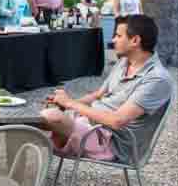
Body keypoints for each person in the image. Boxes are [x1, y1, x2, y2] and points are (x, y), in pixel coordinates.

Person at [41, 14, 173, 164]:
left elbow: (117, 121)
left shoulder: (157, 79)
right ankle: (27, 184)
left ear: (135, 40)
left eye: (118, 35)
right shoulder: (124, 62)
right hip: (90, 126)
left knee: (51, 117)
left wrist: (70, 103)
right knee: (28, 125)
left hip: (112, 142)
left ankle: (29, 182)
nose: (113, 40)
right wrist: (64, 104)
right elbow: (98, 95)